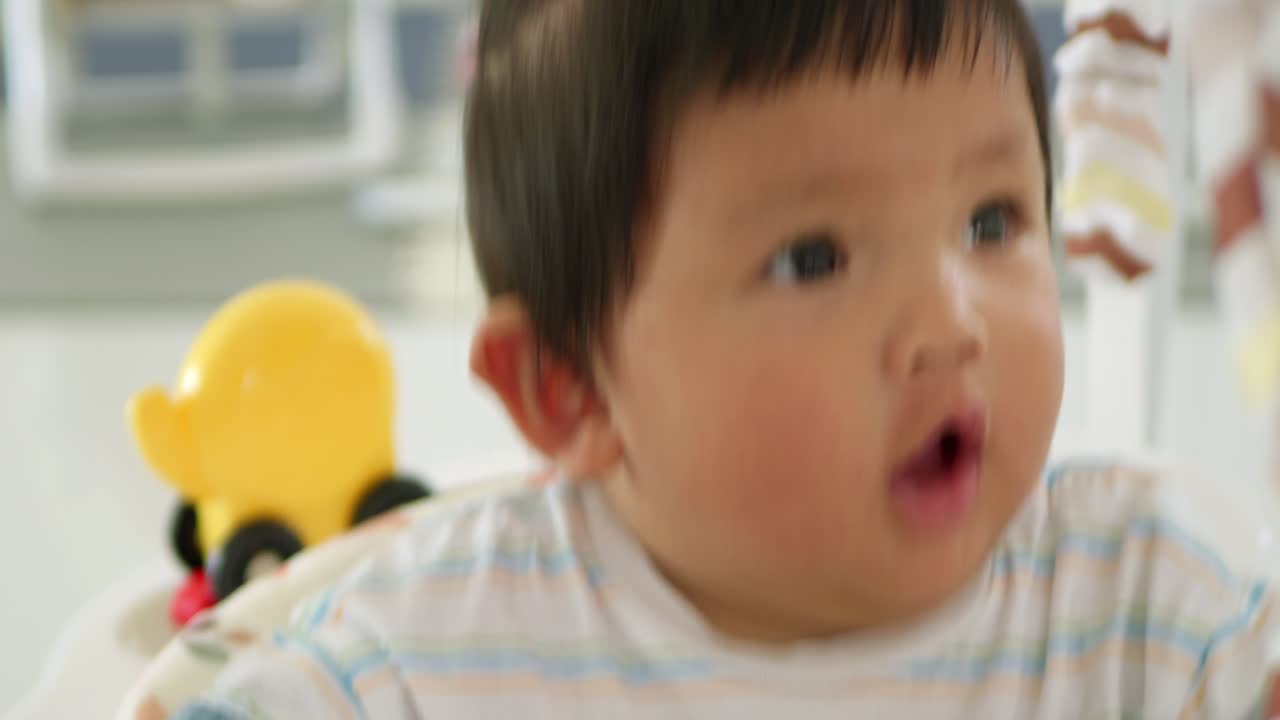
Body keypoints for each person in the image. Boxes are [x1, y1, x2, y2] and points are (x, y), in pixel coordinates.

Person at [175, 2, 1280, 717]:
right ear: (568, 387)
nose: (950, 322)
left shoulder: (1151, 609)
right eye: (813, 258)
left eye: (990, 222)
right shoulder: (432, 655)